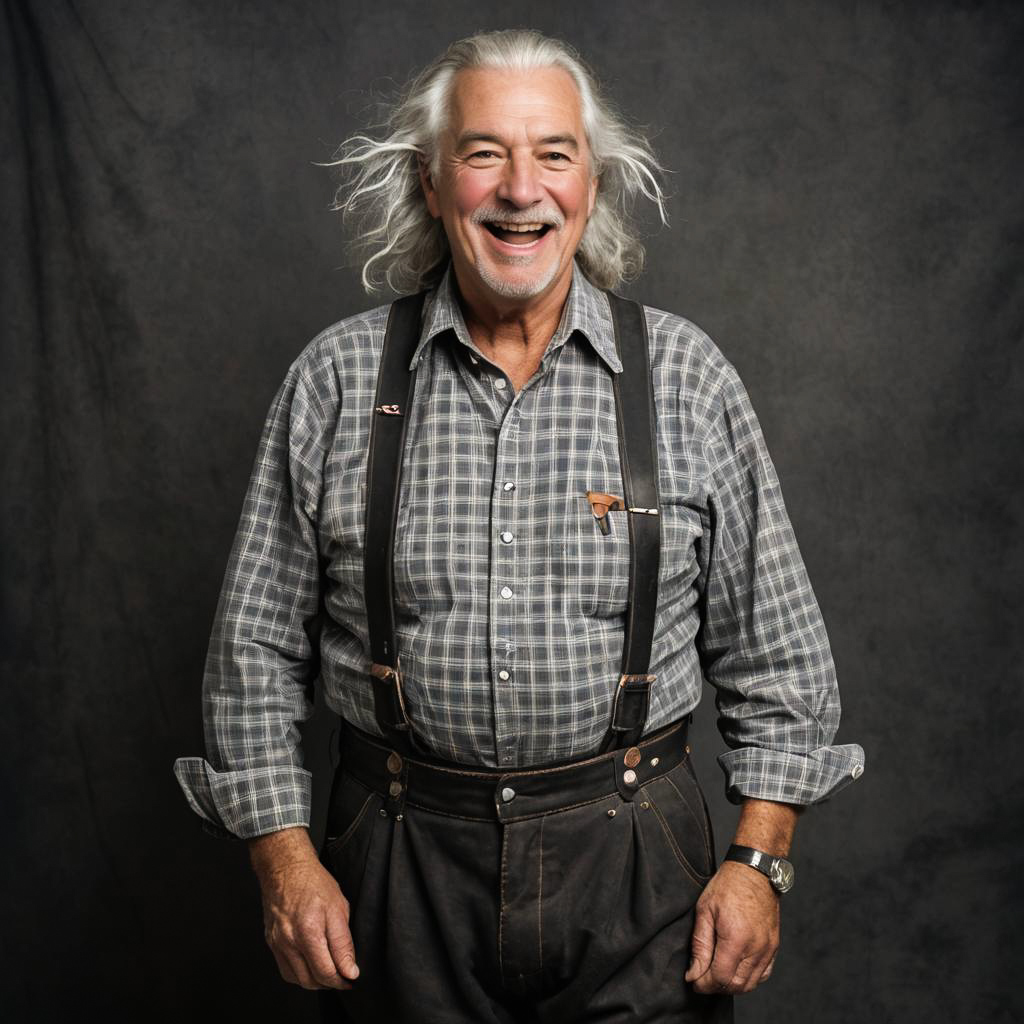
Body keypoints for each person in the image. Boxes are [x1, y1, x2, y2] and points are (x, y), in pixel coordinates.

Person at [173, 28, 865, 1023]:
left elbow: (780, 663)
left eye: (553, 153)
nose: (520, 188)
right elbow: (250, 656)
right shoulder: (333, 380)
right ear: (430, 180)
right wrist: (284, 863)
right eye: (484, 152)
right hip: (396, 856)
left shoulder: (686, 378)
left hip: (636, 864)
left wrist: (759, 862)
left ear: (591, 182)